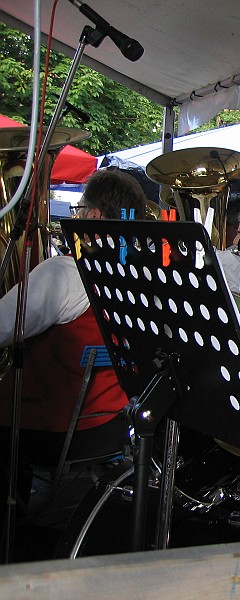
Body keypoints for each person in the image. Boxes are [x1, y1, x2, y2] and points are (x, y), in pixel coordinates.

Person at [0, 170, 146, 484]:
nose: (75, 216)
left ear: (92, 215)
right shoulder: (140, 279)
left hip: (52, 429)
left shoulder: (65, 273)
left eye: (77, 209)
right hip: (112, 426)